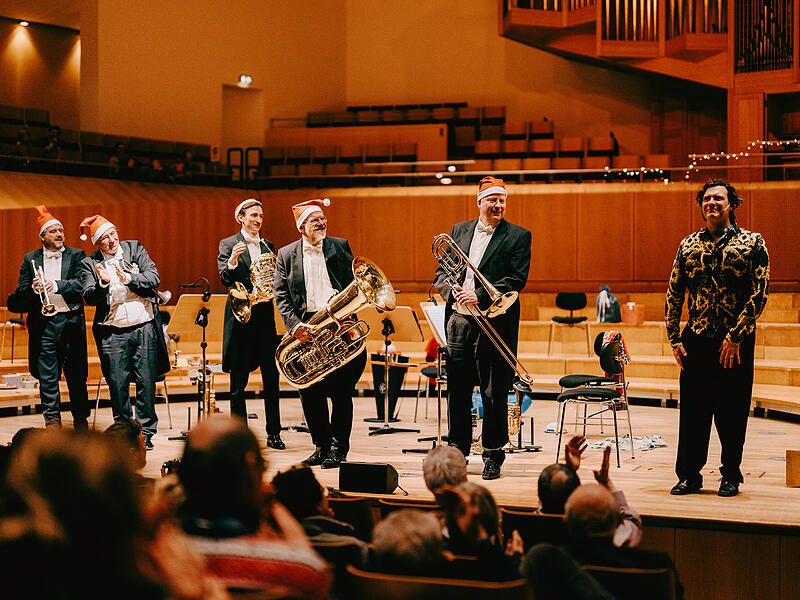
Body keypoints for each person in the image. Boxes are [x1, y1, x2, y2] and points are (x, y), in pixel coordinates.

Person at [666, 179, 770, 498]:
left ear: (731, 204)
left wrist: (736, 335)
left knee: (731, 411)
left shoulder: (753, 242)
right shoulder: (688, 245)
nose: (711, 203)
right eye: (707, 198)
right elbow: (674, 292)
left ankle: (730, 475)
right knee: (694, 412)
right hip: (696, 340)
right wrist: (674, 338)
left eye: (718, 198)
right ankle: (689, 475)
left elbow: (760, 292)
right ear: (701, 205)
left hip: (734, 343)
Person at [433, 176, 532, 479]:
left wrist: (481, 294)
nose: (498, 205)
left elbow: (516, 280)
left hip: (496, 321)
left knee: (494, 391)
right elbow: (441, 273)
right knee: (458, 392)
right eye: (492, 200)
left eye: (502, 200)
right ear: (479, 202)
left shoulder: (518, 236)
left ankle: (493, 453)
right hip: (460, 321)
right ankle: (457, 452)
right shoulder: (458, 231)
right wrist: (454, 292)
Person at [176, 417, 331, 599]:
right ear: (250, 467)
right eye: (262, 465)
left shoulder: (150, 561)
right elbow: (313, 571)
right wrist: (274, 505)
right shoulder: (301, 571)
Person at [274, 198, 367, 469]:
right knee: (309, 391)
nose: (322, 223)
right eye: (316, 220)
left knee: (341, 392)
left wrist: (346, 311)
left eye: (323, 219)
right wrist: (293, 326)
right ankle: (321, 446)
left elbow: (354, 284)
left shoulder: (339, 245)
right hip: (305, 327)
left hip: (339, 324)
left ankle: (339, 449)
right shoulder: (285, 254)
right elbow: (281, 296)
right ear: (302, 226)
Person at [80, 215, 170, 449]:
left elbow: (154, 276)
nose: (111, 240)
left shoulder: (134, 248)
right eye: (104, 238)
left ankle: (146, 432)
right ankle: (123, 432)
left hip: (144, 326)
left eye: (112, 234)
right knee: (117, 384)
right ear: (97, 243)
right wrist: (104, 284)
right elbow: (89, 296)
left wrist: (128, 278)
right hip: (113, 331)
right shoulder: (90, 264)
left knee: (146, 381)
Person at [6, 206, 90, 430]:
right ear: (42, 236)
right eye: (53, 231)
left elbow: (83, 283)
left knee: (76, 377)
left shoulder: (76, 255)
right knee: (48, 380)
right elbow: (21, 290)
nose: (59, 234)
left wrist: (58, 285)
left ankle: (81, 423)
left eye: (61, 230)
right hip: (45, 324)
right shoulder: (30, 259)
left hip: (71, 321)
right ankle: (52, 426)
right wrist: (34, 289)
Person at [217, 198, 284, 449]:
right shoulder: (228, 244)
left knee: (271, 379)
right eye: (253, 215)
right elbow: (225, 278)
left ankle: (274, 433)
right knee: (238, 384)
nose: (258, 220)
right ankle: (239, 437)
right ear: (241, 218)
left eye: (261, 216)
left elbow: (273, 279)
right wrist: (232, 262)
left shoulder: (269, 245)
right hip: (241, 318)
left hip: (265, 317)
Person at [561, 484, 684, 600]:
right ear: (619, 521)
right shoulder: (657, 563)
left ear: (566, 523)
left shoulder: (554, 562)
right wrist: (608, 484)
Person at [537, 436, 642, 547]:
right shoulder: (622, 540)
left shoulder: (537, 535)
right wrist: (606, 483)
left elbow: (547, 500)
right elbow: (631, 519)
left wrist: (569, 471)